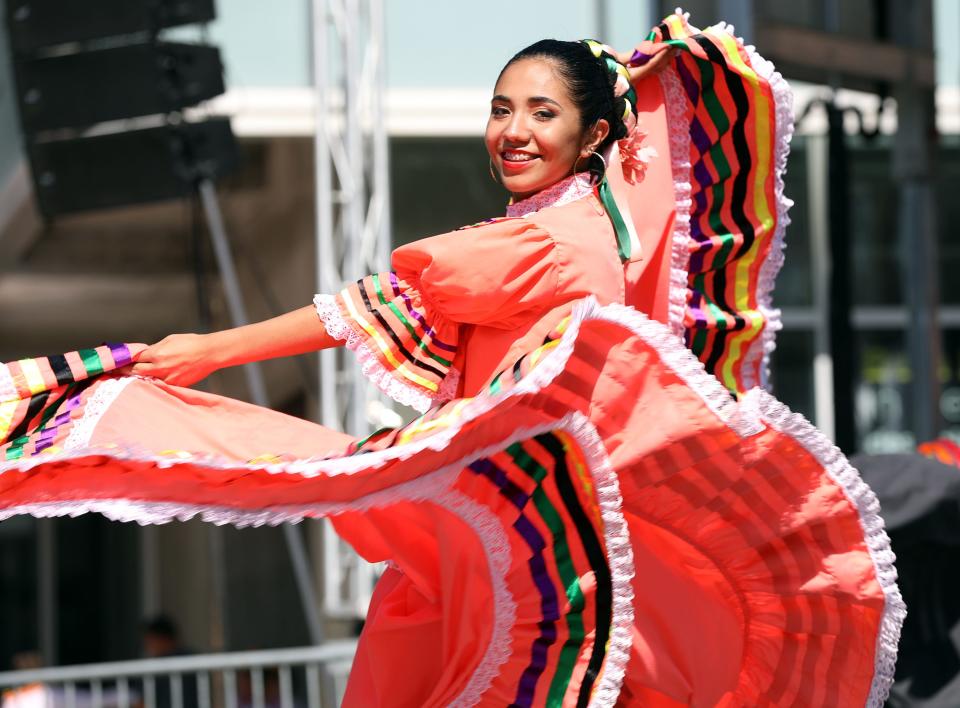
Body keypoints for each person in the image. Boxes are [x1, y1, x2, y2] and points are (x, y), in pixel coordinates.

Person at [0, 12, 903, 707]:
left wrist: (217, 349)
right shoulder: (565, 232)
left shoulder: (559, 238)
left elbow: (383, 301)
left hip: (520, 524)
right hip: (501, 524)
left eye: (541, 112)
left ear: (594, 138)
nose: (511, 129)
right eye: (501, 108)